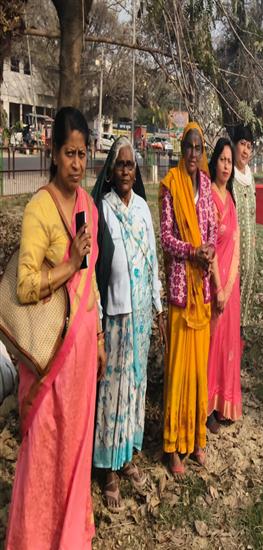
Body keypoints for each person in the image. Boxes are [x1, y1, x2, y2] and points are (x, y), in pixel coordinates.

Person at [6, 107, 106, 549]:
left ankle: (69, 536)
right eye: (70, 153)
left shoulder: (88, 207)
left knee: (75, 447)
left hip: (82, 356)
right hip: (49, 358)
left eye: (83, 154)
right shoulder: (39, 208)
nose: (77, 164)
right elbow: (25, 286)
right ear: (53, 152)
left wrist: (99, 337)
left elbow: (91, 279)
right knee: (45, 449)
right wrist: (68, 264)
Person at [91, 137, 165, 510]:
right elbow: (95, 269)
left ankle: (127, 456)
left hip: (140, 317)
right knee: (113, 390)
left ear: (136, 171)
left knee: (135, 386)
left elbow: (151, 259)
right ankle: (108, 468)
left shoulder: (141, 210)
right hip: (115, 315)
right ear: (110, 170)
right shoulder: (101, 210)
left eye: (130, 165)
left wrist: (158, 307)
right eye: (120, 164)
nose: (125, 170)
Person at [160, 122, 217, 477]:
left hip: (203, 288)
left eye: (198, 147)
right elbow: (166, 238)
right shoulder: (171, 185)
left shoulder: (206, 185)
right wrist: (192, 251)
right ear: (181, 149)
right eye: (188, 147)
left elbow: (212, 228)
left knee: (198, 368)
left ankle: (196, 438)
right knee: (179, 368)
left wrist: (208, 249)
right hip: (182, 290)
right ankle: (173, 447)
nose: (193, 153)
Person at [206, 138, 242, 434]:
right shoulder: (208, 197)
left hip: (231, 286)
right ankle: (206, 406)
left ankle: (224, 404)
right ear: (214, 161)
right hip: (213, 285)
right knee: (212, 344)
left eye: (230, 161)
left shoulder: (230, 198)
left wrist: (230, 284)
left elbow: (236, 241)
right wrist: (219, 286)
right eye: (223, 160)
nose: (227, 166)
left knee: (229, 344)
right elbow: (210, 245)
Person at [232, 125, 256, 337]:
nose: (245, 151)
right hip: (233, 245)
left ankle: (242, 325)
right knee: (233, 284)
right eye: (242, 144)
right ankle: (230, 327)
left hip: (250, 244)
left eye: (249, 146)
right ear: (234, 145)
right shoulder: (229, 176)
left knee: (248, 277)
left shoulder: (250, 177)